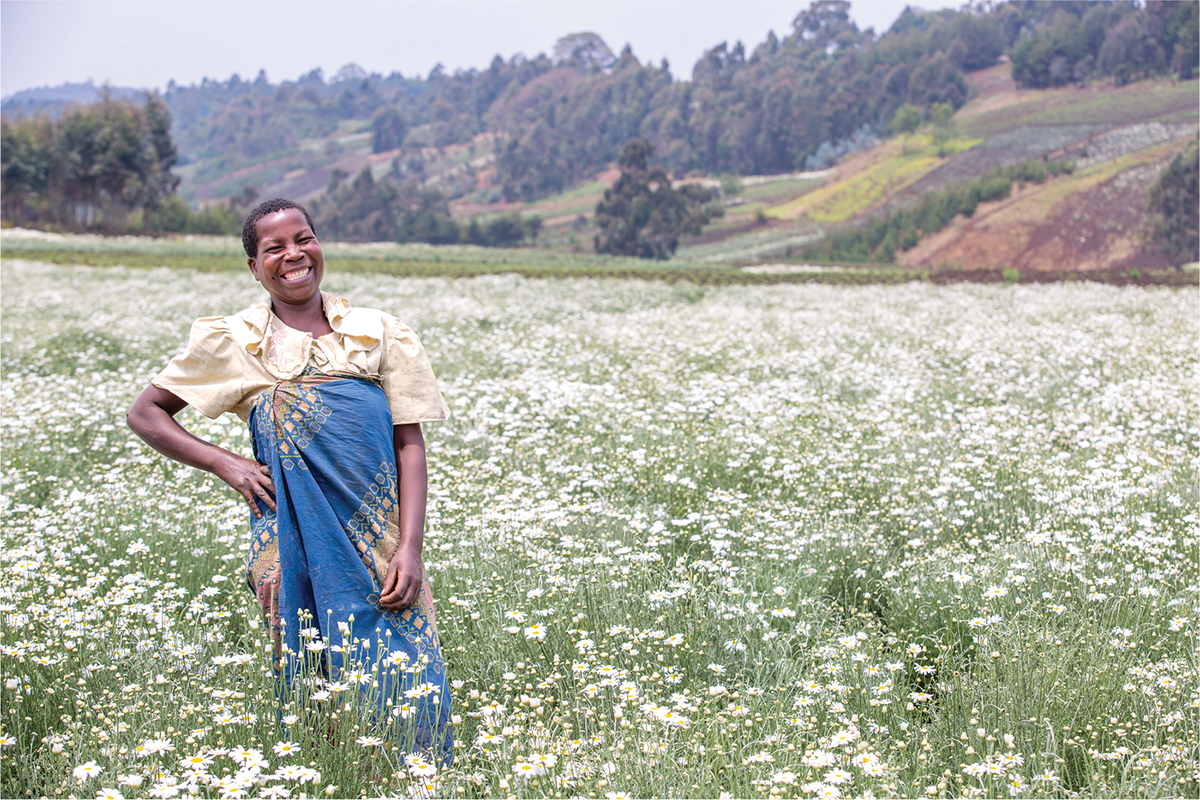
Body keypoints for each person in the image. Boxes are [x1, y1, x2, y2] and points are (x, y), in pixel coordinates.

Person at [127, 198, 452, 761]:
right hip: (285, 540)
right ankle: (328, 779)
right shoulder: (233, 339)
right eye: (273, 248)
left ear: (319, 244)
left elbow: (409, 444)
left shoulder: (381, 333)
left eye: (303, 238)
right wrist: (225, 463)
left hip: (380, 539)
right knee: (311, 674)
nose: (293, 255)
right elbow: (146, 412)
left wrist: (411, 547)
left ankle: (415, 780)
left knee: (408, 675)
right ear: (254, 267)